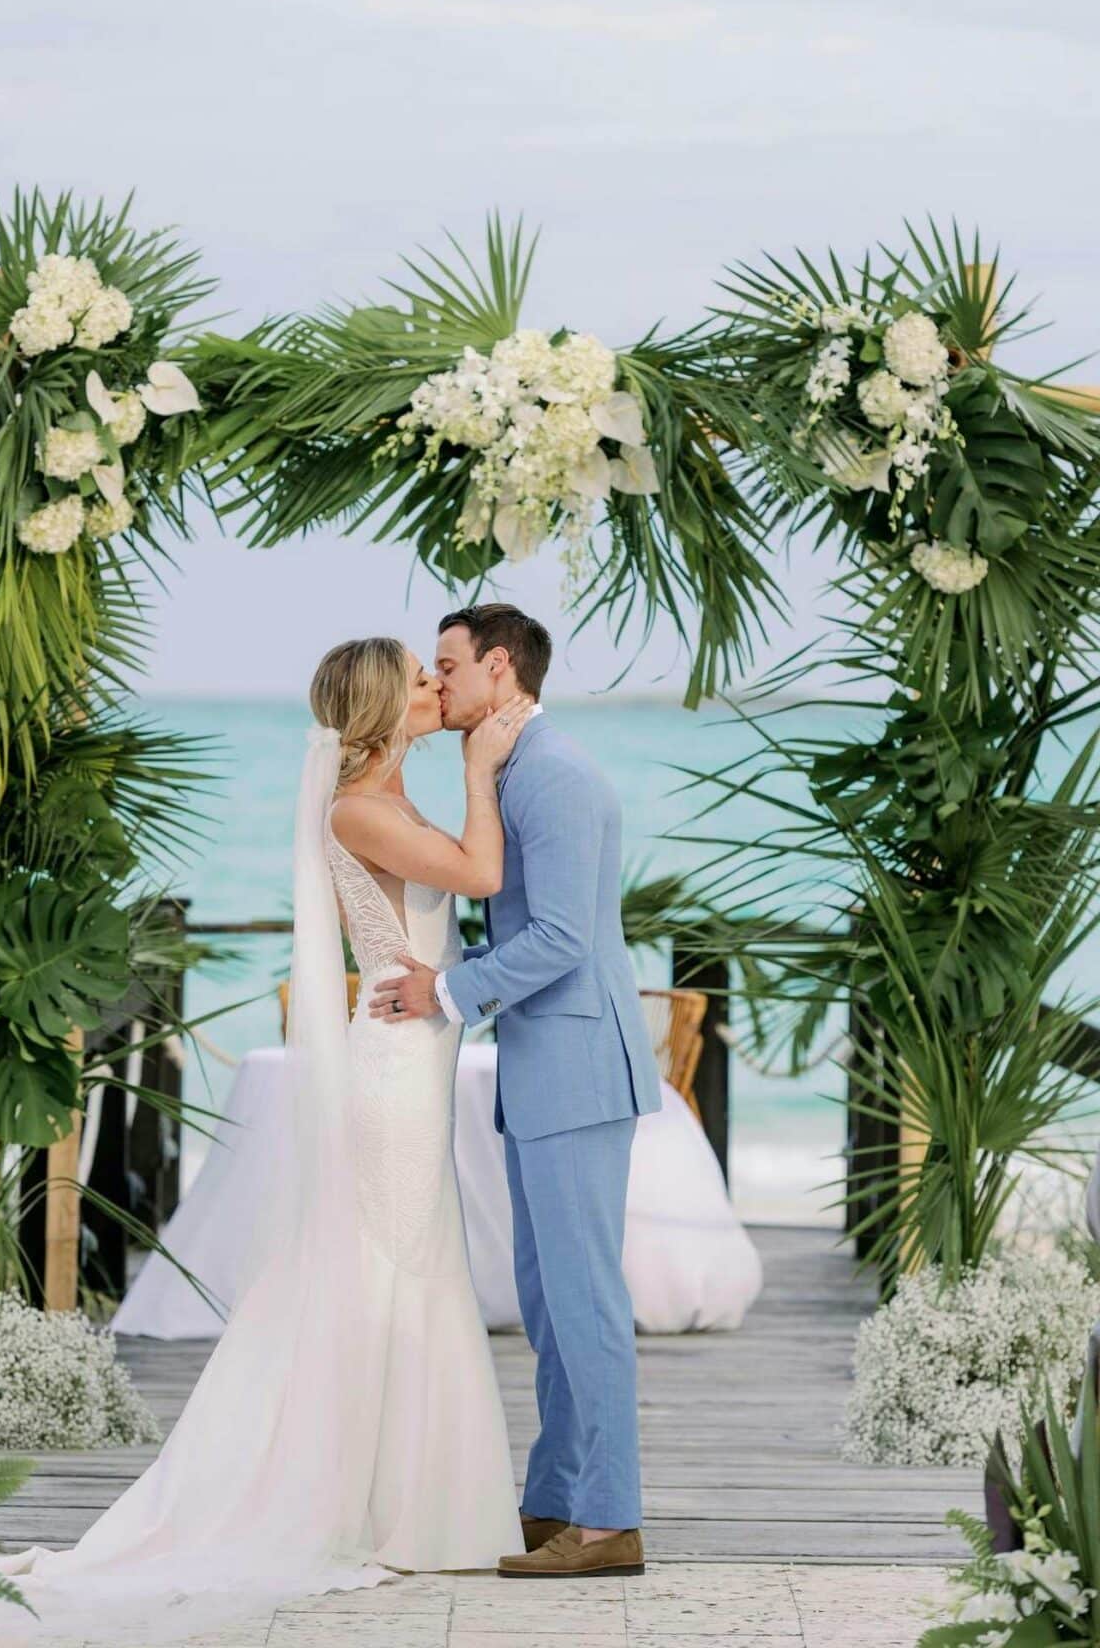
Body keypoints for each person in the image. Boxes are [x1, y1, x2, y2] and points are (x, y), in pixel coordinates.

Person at [0, 637, 530, 1645]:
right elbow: (479, 875)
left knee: (415, 1265)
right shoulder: (359, 809)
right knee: (391, 1271)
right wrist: (481, 768)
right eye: (421, 680)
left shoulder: (384, 794)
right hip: (391, 1074)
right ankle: (376, 1504)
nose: (439, 689)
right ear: (386, 708)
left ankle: (410, 1500)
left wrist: (459, 754)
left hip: (415, 1058)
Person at [370, 603, 662, 1579]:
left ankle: (610, 1520)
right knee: (546, 1301)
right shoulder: (511, 770)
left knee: (583, 1301)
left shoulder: (557, 778)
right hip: (547, 1072)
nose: (437, 684)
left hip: (576, 1070)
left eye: (447, 666)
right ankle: (555, 1500)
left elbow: (564, 939)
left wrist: (444, 992)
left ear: (500, 669)